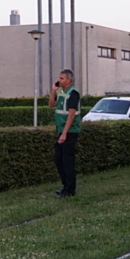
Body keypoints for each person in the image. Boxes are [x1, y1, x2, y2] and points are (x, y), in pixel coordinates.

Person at [48, 69, 82, 198]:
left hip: (70, 132)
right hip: (61, 130)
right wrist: (53, 91)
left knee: (68, 161)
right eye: (59, 78)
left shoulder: (73, 93)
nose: (59, 80)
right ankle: (65, 186)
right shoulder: (62, 91)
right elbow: (51, 104)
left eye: (62, 78)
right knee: (59, 159)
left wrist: (64, 134)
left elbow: (72, 115)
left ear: (69, 80)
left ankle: (69, 190)